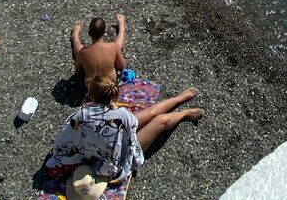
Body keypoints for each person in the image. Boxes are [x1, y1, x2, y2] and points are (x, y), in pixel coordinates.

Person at [44, 75, 202, 189]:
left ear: (91, 96)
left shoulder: (80, 116)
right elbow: (130, 131)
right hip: (118, 156)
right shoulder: (122, 115)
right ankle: (183, 114)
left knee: (151, 114)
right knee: (159, 120)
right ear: (113, 96)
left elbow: (63, 139)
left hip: (104, 145)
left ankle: (180, 98)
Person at [70, 14, 127, 82]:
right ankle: (121, 28)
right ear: (104, 32)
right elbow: (121, 66)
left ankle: (75, 36)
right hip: (110, 83)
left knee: (80, 52)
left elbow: (78, 69)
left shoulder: (83, 53)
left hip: (92, 86)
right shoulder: (113, 47)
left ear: (89, 33)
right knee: (116, 46)